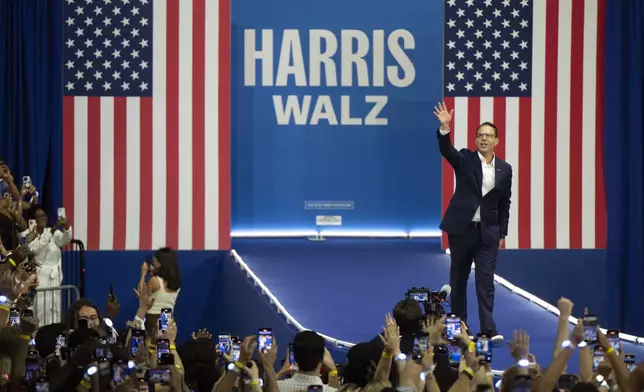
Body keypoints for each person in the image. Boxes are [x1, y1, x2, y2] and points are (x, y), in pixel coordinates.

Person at [433, 101, 512, 341]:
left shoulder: (505, 169)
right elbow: (447, 150)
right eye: (480, 135)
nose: (484, 139)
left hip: (488, 233)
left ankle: (488, 329)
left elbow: (504, 202)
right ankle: (459, 326)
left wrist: (502, 233)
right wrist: (445, 128)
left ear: (496, 140)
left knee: (485, 282)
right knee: (458, 278)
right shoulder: (465, 158)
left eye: (489, 136)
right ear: (476, 140)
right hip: (462, 230)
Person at [21, 205, 72, 325]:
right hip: (37, 279)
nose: (41, 218)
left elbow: (66, 239)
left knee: (54, 311)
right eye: (37, 216)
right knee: (39, 311)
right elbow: (32, 249)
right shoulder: (26, 235)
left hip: (54, 279)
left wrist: (66, 226)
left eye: (43, 215)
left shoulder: (52, 232)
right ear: (31, 220)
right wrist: (52, 229)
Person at [138, 247, 181, 336]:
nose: (153, 260)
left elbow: (141, 294)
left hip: (153, 320)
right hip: (169, 320)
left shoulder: (155, 281)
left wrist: (143, 273)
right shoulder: (176, 283)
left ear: (161, 263)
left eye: (156, 258)